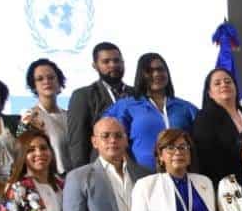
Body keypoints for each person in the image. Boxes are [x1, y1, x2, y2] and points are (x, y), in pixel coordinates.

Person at [105, 52, 199, 171]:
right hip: (142, 178)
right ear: (141, 75)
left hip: (182, 176)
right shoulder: (126, 106)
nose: (156, 74)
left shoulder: (186, 107)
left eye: (160, 70)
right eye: (149, 71)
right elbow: (110, 138)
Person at [65, 41, 133, 170]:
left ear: (123, 63)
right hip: (100, 170)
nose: (113, 65)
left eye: (117, 60)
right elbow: (78, 142)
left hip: (135, 168)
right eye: (106, 62)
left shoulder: (137, 94)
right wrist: (82, 176)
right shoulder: (83, 96)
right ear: (95, 66)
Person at [18, 59, 71, 174]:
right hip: (49, 180)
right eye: (40, 79)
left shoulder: (69, 116)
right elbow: (19, 151)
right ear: (33, 85)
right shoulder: (28, 117)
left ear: (59, 82)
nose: (46, 81)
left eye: (51, 77)